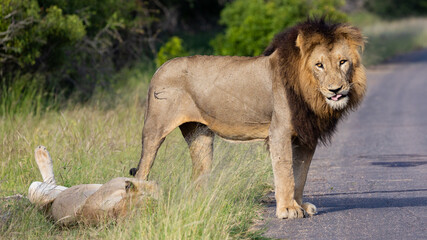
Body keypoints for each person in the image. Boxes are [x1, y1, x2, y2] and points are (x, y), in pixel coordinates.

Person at [28, 146, 159, 225]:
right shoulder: (120, 196)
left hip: (65, 204)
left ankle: (49, 181)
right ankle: (50, 183)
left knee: (34, 188)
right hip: (89, 198)